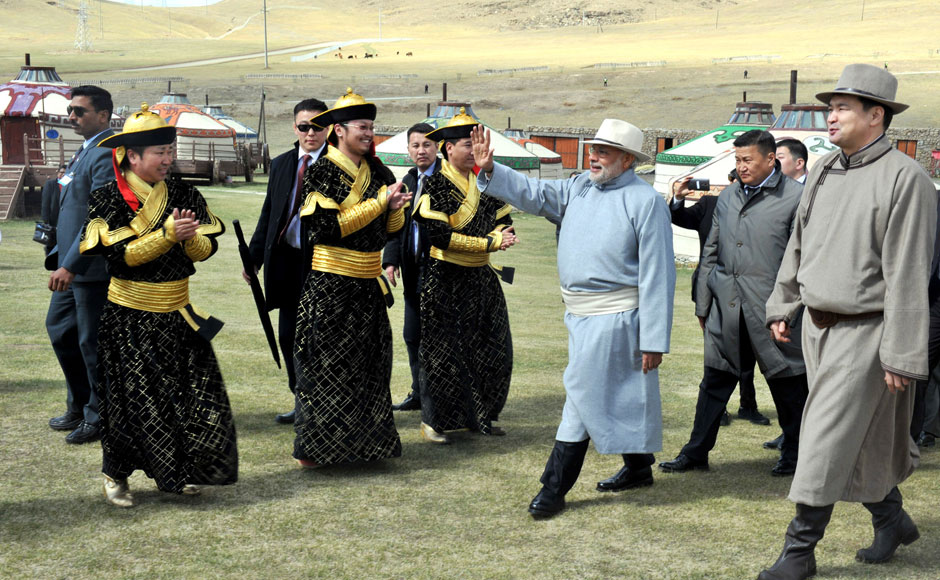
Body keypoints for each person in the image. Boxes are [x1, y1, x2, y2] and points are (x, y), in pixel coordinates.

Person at [760, 64, 935, 579]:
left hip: (869, 331)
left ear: (875, 115)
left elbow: (909, 273)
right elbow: (800, 243)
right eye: (830, 107)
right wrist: (783, 303)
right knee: (860, 436)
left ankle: (799, 550)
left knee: (823, 437)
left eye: (842, 108)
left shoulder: (908, 180)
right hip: (817, 328)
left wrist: (902, 353)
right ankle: (893, 519)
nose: (830, 116)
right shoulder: (822, 169)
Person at [472, 119, 675, 518]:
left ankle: (553, 488)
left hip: (617, 318)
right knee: (610, 394)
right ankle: (638, 466)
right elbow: (533, 192)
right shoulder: (579, 186)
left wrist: (653, 339)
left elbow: (658, 275)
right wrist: (491, 170)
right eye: (593, 149)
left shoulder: (645, 201)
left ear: (628, 159)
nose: (593, 156)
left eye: (603, 151)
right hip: (578, 316)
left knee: (581, 397)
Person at [80, 104, 238, 507]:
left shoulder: (185, 193)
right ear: (132, 156)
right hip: (129, 316)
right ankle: (115, 474)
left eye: (170, 150)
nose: (168, 159)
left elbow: (205, 251)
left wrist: (187, 239)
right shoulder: (108, 197)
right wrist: (166, 236)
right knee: (129, 398)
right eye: (159, 153)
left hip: (178, 313)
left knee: (184, 396)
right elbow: (121, 259)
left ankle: (176, 471)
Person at [659, 129, 808, 478]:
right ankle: (696, 452)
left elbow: (803, 261)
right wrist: (703, 303)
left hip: (773, 312)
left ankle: (795, 453)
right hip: (726, 308)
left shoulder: (797, 199)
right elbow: (712, 249)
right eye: (737, 160)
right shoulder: (727, 198)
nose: (740, 167)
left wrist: (787, 309)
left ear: (770, 159)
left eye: (747, 160)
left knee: (788, 386)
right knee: (714, 380)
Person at [293, 88, 411, 467]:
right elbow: (325, 229)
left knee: (371, 366)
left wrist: (393, 208)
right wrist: (379, 202)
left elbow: (392, 229)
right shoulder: (322, 171)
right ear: (339, 131)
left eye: (371, 127)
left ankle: (367, 446)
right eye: (362, 126)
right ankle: (318, 449)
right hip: (331, 285)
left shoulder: (378, 171)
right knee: (327, 367)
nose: (369, 133)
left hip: (368, 283)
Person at [411, 110, 516, 444]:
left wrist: (501, 234)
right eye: (466, 146)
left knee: (492, 348)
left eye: (476, 144)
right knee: (442, 353)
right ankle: (433, 422)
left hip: (482, 277)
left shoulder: (485, 182)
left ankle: (480, 416)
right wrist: (490, 241)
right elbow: (438, 237)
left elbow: (504, 219)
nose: (473, 151)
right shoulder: (436, 185)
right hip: (444, 277)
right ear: (447, 149)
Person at [245, 98, 328, 425]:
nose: (310, 132)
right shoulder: (281, 164)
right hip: (286, 263)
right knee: (288, 336)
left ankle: (321, 404)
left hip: (322, 265)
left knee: (319, 337)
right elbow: (269, 214)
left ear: (328, 128)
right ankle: (300, 399)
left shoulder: (337, 164)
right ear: (295, 127)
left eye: (317, 126)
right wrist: (253, 259)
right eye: (304, 126)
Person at [45, 85, 115, 444]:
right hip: (69, 264)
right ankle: (80, 402)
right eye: (70, 110)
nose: (71, 116)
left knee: (91, 343)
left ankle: (98, 416)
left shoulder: (106, 153)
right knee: (60, 331)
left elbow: (100, 216)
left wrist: (71, 263)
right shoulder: (86, 151)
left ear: (103, 115)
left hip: (90, 268)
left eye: (79, 111)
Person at [670, 177, 769, 428]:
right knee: (716, 352)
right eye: (735, 181)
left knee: (748, 350)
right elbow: (679, 218)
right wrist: (678, 197)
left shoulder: (762, 208)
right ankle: (718, 407)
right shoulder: (709, 204)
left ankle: (748, 404)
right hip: (713, 289)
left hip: (748, 290)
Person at [384, 122, 439, 412]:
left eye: (427, 145)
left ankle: (442, 399)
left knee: (439, 338)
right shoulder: (406, 182)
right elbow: (396, 227)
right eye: (415, 145)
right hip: (412, 272)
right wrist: (391, 260)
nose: (421, 150)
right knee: (412, 334)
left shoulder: (448, 179)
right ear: (407, 150)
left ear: (437, 147)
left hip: (441, 273)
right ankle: (418, 393)